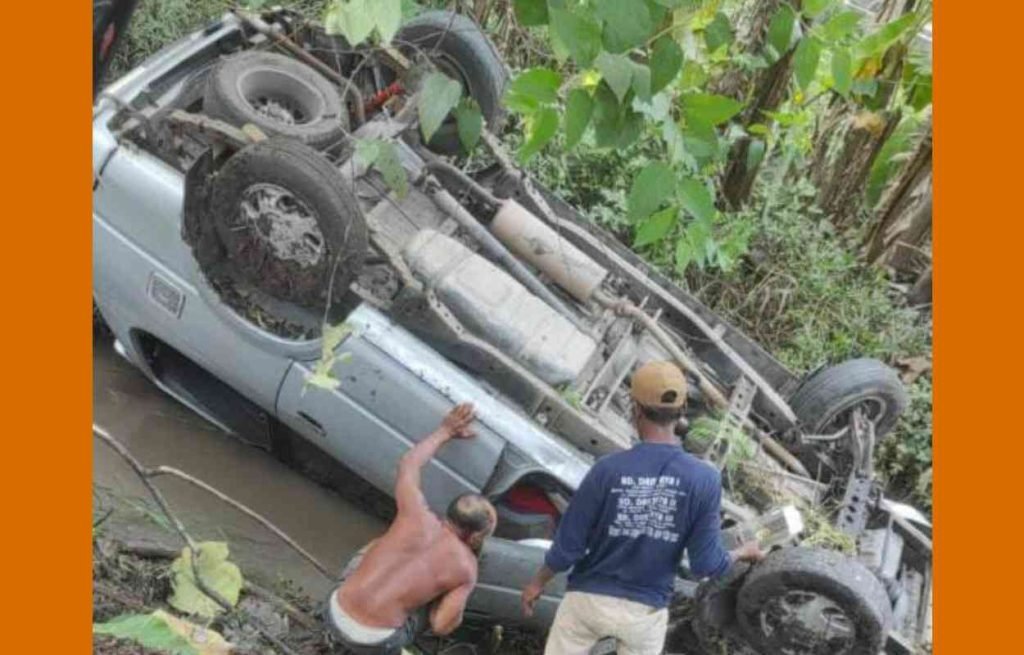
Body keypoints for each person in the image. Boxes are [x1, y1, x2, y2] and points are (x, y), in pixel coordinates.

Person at [520, 361, 764, 655]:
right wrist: (743, 552)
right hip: (645, 613)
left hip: (587, 600)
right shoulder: (705, 479)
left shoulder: (606, 470)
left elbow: (567, 548)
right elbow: (706, 565)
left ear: (635, 408)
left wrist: (537, 583)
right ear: (682, 410)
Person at [326, 403, 497, 655]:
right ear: (476, 536)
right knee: (440, 601)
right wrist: (452, 607)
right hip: (373, 643)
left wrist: (445, 430)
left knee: (380, 544)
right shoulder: (466, 568)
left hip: (333, 611)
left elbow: (409, 463)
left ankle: (338, 630)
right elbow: (440, 626)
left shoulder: (414, 512)